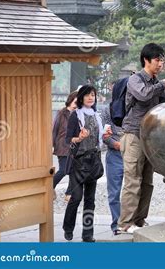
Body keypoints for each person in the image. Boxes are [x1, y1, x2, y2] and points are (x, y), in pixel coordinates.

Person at [118, 43, 165, 234]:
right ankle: (125, 224)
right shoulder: (135, 80)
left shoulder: (156, 82)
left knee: (147, 181)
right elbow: (143, 96)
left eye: (162, 60)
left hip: (149, 137)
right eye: (157, 60)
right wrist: (162, 84)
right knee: (133, 180)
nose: (161, 64)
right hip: (133, 135)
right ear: (146, 60)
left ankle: (139, 221)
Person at [63, 85, 111, 242]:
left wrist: (105, 135)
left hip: (94, 161)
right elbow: (67, 139)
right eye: (88, 95)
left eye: (93, 95)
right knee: (76, 198)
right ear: (81, 97)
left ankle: (87, 234)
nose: (91, 97)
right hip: (78, 161)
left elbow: (98, 139)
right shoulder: (75, 116)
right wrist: (80, 138)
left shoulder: (97, 116)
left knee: (90, 200)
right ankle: (68, 227)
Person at [101, 99, 124, 236]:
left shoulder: (133, 106)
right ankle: (117, 223)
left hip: (132, 153)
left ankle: (132, 221)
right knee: (114, 192)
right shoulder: (107, 110)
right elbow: (105, 135)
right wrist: (117, 145)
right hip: (115, 154)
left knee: (133, 189)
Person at [52, 91, 78, 201]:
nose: (76, 104)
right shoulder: (61, 113)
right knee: (63, 170)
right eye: (75, 101)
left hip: (74, 147)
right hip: (62, 146)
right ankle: (50, 186)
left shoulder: (79, 114)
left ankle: (69, 194)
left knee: (74, 171)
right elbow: (55, 129)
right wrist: (52, 144)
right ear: (70, 100)